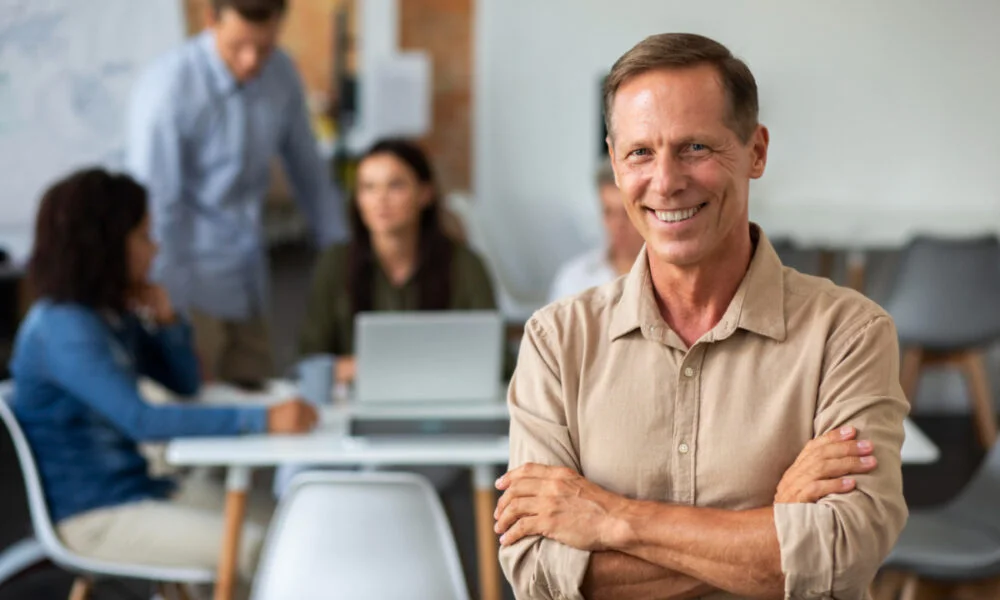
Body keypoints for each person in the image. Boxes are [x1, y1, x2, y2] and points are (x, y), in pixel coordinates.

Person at [494, 33, 908, 599]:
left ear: (756, 152)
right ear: (615, 165)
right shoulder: (555, 341)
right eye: (641, 152)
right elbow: (539, 571)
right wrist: (775, 522)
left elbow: (842, 553)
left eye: (695, 148)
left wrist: (613, 520)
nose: (666, 181)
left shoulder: (849, 334)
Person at [8, 169, 317, 592]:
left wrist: (168, 322)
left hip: (145, 490)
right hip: (96, 517)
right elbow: (143, 421)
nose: (155, 250)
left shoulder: (106, 315)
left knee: (296, 523)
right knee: (264, 546)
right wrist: (264, 420)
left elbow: (184, 385)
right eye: (143, 237)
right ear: (106, 244)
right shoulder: (63, 328)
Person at [125, 0, 347, 388]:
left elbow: (310, 175)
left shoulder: (280, 73)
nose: (250, 62)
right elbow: (159, 205)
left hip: (250, 281)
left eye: (264, 46)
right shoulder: (170, 85)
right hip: (188, 286)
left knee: (259, 409)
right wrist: (168, 310)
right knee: (199, 410)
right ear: (211, 20)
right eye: (238, 46)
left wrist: (344, 257)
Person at [298, 138, 498, 383]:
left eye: (395, 186)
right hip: (354, 401)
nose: (381, 199)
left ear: (425, 194)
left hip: (443, 401)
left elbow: (494, 358)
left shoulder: (465, 265)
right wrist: (359, 368)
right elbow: (309, 360)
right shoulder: (335, 263)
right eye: (368, 187)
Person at [548, 159, 645, 302]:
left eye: (627, 213)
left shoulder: (671, 278)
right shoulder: (574, 279)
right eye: (608, 212)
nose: (618, 224)